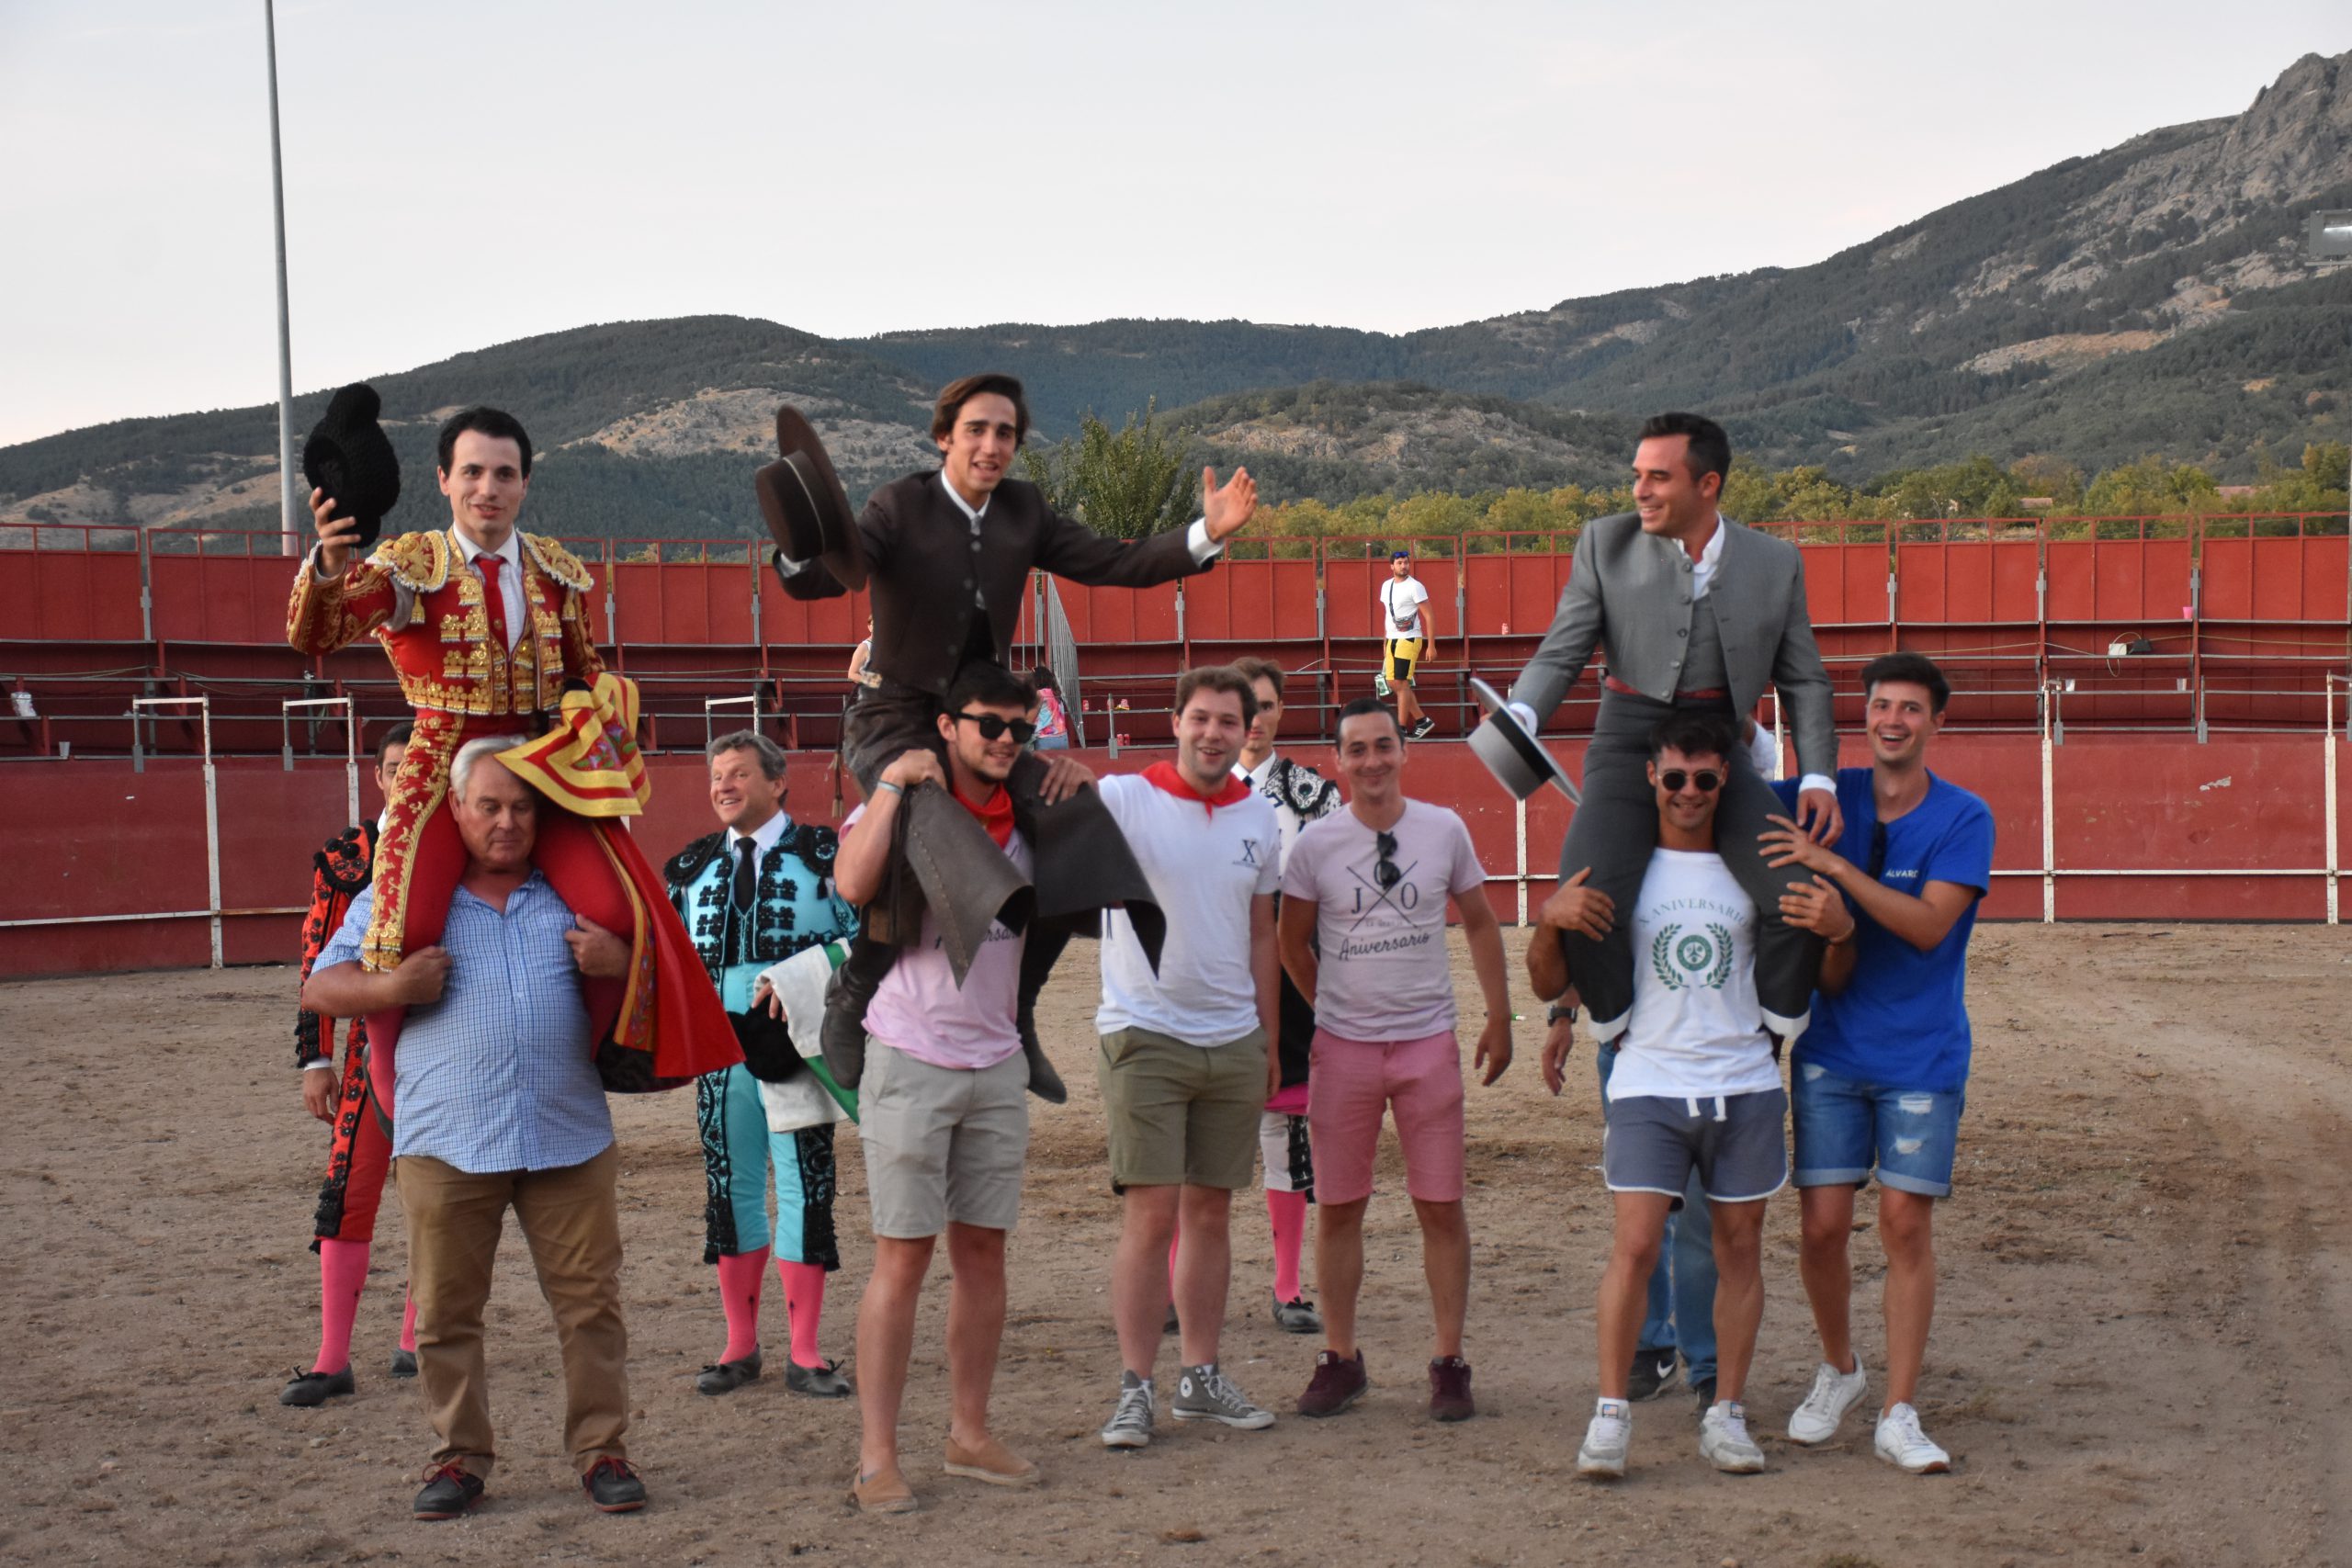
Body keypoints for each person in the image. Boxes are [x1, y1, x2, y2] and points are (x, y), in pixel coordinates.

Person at [772, 375, 1259, 1105]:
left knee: (1071, 820)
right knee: (921, 811)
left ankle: (1019, 1007)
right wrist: (794, 550)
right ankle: (855, 987)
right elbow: (840, 568)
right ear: (945, 436)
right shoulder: (899, 504)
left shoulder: (1024, 511)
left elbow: (1113, 562)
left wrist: (1205, 533)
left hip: (984, 721)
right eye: (976, 429)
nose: (992, 445)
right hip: (893, 718)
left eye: (1005, 432)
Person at [288, 404, 730, 1100]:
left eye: (503, 473)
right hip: (438, 763)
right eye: (471, 472)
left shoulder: (558, 571)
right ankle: (385, 1078)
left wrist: (600, 702)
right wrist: (329, 565)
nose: (486, 488)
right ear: (444, 479)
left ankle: (593, 1053)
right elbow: (319, 632)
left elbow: (585, 668)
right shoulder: (412, 565)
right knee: (403, 930)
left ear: (525, 483)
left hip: (539, 765)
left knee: (614, 911)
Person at [301, 740, 650, 1520]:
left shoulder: (573, 891)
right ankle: (459, 1455)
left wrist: (621, 958)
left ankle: (603, 1451)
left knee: (591, 1304)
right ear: (453, 809)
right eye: (489, 805)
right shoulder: (403, 902)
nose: (506, 822)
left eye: (522, 806)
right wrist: (394, 983)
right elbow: (323, 985)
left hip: (568, 1134)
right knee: (446, 1310)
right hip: (446, 1137)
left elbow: (662, 969)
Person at [1498, 411, 1841, 1061]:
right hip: (1628, 742)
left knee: (1797, 896)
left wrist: (1818, 773)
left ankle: (1768, 1031)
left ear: (1707, 484)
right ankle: (1619, 1029)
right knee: (1586, 894)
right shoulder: (1605, 543)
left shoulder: (1775, 562)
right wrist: (1522, 713)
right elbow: (1561, 652)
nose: (1640, 491)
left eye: (1659, 477)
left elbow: (1805, 680)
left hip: (1719, 753)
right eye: (1637, 475)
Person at [838, 663, 1093, 1514]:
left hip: (994, 1062)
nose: (1005, 740)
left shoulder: (1031, 812)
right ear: (946, 726)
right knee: (903, 1257)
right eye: (988, 723)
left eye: (1019, 727)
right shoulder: (910, 800)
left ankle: (969, 1433)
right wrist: (886, 786)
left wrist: (1085, 783)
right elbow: (852, 883)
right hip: (910, 1055)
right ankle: (877, 1454)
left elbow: (1105, 859)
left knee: (983, 1253)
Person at [1537, 711, 1787, 1481]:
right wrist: (1549, 923)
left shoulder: (1754, 869)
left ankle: (1727, 1409)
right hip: (1648, 1073)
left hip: (1742, 1078)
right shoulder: (1621, 863)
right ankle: (1611, 1413)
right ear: (1650, 775)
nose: (1688, 791)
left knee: (1738, 1246)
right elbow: (1552, 974)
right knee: (1637, 1245)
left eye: (1705, 779)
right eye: (1674, 776)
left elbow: (1792, 951)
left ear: (1726, 781)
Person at [1760, 652, 1993, 1475]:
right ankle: (1841, 1369)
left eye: (1910, 709)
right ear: (1864, 714)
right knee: (1820, 1227)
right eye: (1881, 705)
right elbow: (1732, 808)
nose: (1892, 719)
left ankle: (1899, 1407)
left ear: (1936, 722)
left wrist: (1836, 870)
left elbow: (1929, 926)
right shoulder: (1830, 796)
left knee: (1903, 1225)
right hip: (1832, 1047)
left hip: (1922, 1055)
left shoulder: (1966, 816)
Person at [1278, 697, 1513, 1423]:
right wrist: (1330, 1010)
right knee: (1340, 1206)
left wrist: (1500, 1015)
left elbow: (1479, 921)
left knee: (1441, 1204)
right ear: (1340, 760)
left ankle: (1448, 1358)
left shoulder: (1443, 829)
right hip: (1344, 1050)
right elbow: (1292, 942)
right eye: (1358, 749)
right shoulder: (1315, 846)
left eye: (1385, 745)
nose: (1373, 760)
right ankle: (1341, 1356)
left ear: (1403, 751)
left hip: (1425, 1042)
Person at [1091, 666, 1283, 1450]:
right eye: (1200, 718)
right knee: (1152, 1214)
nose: (1213, 733)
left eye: (1228, 722)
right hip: (1145, 1032)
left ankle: (1199, 1376)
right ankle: (1136, 1384)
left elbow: (1263, 932)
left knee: (1211, 1211)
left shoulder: (1261, 819)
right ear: (1175, 722)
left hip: (1233, 1037)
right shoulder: (1124, 799)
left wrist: (1268, 1038)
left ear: (1248, 732)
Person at [662, 730, 858, 1398]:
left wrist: (806, 979)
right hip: (721, 1047)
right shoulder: (688, 868)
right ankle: (739, 1344)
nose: (724, 785)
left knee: (806, 1182)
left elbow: (865, 939)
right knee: (731, 1182)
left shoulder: (826, 854)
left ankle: (805, 1351)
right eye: (717, 775)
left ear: (778, 783)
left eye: (739, 774)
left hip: (797, 1037)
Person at [282, 721, 419, 1408]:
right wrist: (316, 1057)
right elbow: (319, 958)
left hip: (445, 1041)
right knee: (348, 1188)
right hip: (369, 1045)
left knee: (438, 1188)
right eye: (395, 765)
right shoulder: (348, 855)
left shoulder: (461, 838)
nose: (404, 775)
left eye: (416, 764)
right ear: (379, 776)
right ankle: (333, 1356)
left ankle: (418, 1336)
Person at [1232, 654, 1340, 1332]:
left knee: (1284, 1124)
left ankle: (1287, 1283)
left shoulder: (1313, 793)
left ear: (1280, 712)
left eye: (1267, 705)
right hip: (1213, 976)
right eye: (1246, 706)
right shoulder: (1195, 789)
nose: (1256, 718)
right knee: (1198, 1130)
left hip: (1290, 974)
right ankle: (1181, 1288)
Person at [1379, 549, 1437, 739]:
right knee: (1391, 682)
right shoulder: (1386, 586)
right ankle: (1422, 720)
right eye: (1399, 563)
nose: (1403, 566)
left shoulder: (1415, 586)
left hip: (1410, 638)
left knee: (1402, 682)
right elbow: (1388, 615)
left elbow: (1429, 615)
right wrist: (1385, 640)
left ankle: (1401, 728)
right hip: (1393, 639)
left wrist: (1431, 645)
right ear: (1392, 566)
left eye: (1406, 562)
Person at [1029, 665, 1072, 751]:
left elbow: (1030, 718)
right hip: (1062, 737)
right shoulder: (1056, 692)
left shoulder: (1040, 694)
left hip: (1045, 738)